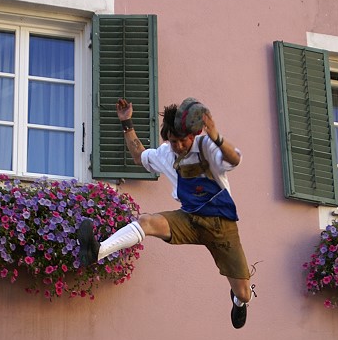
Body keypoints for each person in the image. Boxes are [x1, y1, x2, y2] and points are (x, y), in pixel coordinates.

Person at [77, 97, 255, 328]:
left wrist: (217, 137)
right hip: (188, 219)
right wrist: (126, 123)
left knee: (244, 294)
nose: (179, 146)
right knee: (146, 221)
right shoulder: (165, 153)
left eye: (183, 141)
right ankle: (97, 251)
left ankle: (238, 302)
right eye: (173, 141)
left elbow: (235, 159)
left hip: (222, 226)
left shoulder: (206, 146)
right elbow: (138, 155)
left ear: (193, 135)